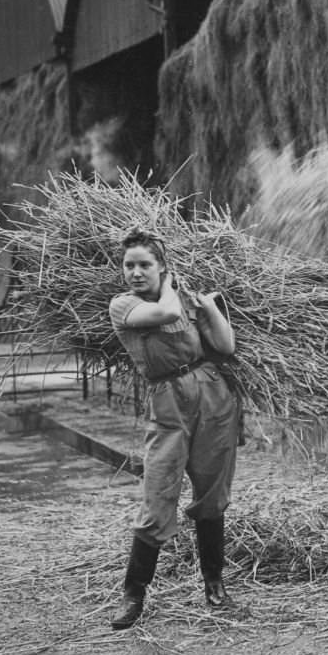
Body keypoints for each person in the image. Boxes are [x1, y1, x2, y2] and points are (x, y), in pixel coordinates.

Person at [107, 230, 240, 629]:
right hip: (167, 401)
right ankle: (133, 596)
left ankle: (214, 585)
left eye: (144, 264)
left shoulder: (182, 299)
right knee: (159, 491)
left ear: (160, 265)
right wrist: (171, 286)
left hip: (212, 393)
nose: (135, 272)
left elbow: (226, 345)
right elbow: (165, 313)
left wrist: (207, 306)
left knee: (213, 491)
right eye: (129, 265)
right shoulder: (123, 305)